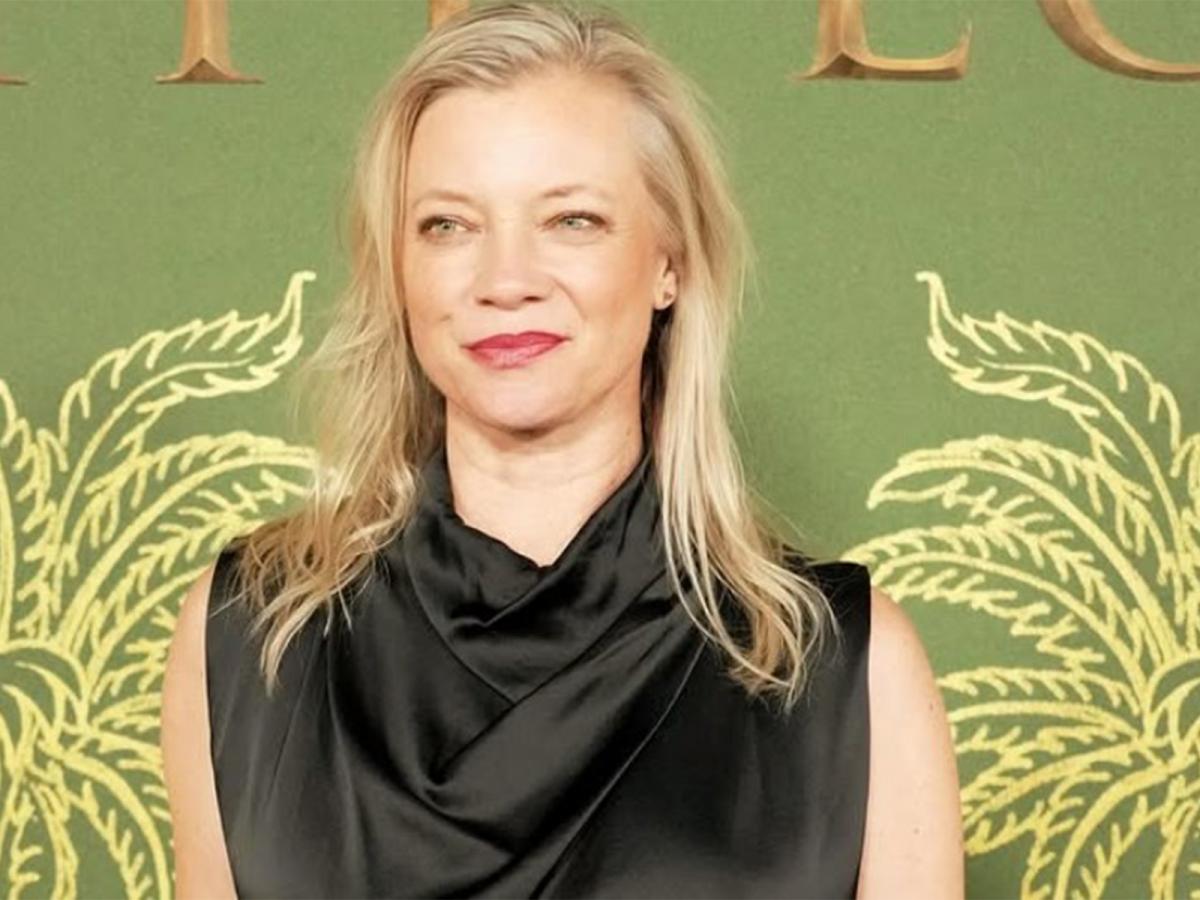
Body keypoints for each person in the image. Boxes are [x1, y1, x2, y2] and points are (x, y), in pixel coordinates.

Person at [160, 0, 964, 897]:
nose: (506, 281)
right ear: (397, 270)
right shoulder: (253, 633)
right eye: (449, 225)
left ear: (669, 263)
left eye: (571, 220)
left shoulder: (844, 666)